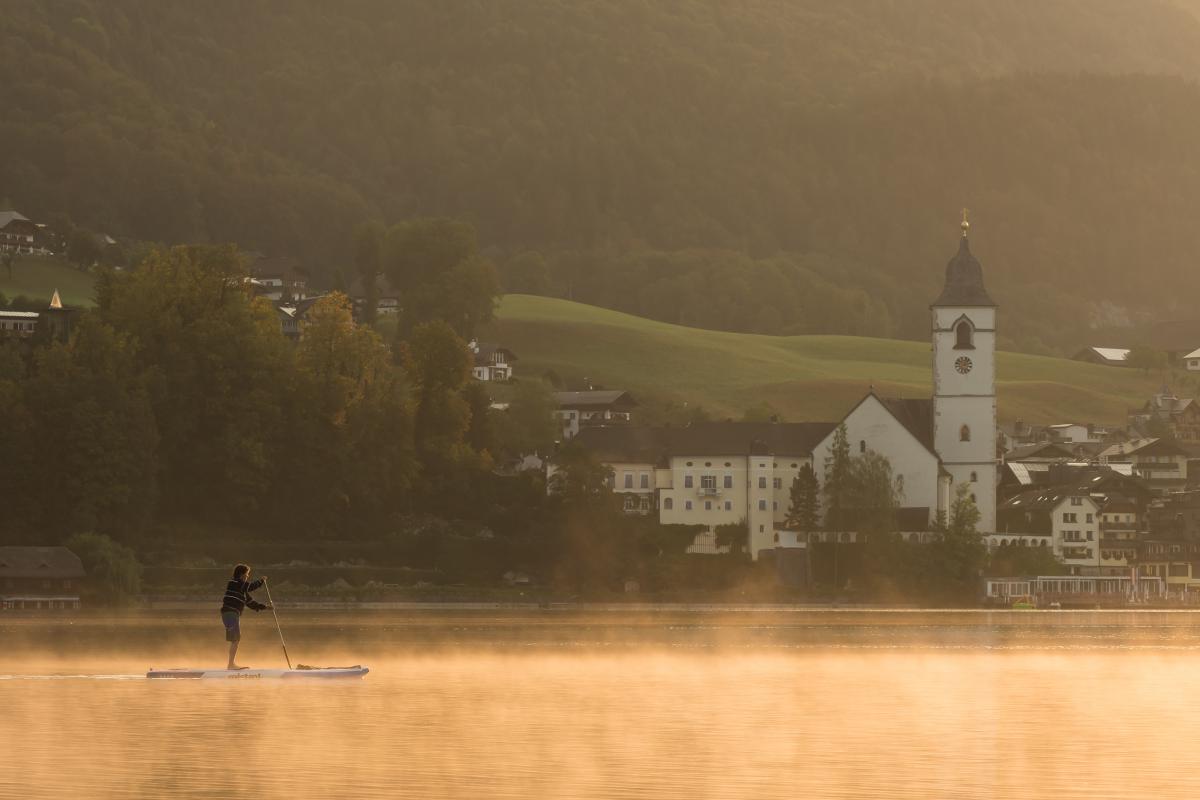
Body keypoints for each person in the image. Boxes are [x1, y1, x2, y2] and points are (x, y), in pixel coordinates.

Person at [220, 563, 272, 670]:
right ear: (241, 574)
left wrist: (266, 607)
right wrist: (261, 580)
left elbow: (252, 604)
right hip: (230, 613)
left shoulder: (243, 590)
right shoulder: (234, 583)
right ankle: (230, 665)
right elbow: (251, 586)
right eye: (247, 574)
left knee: (236, 639)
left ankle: (231, 664)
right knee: (235, 639)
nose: (248, 576)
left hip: (232, 614)